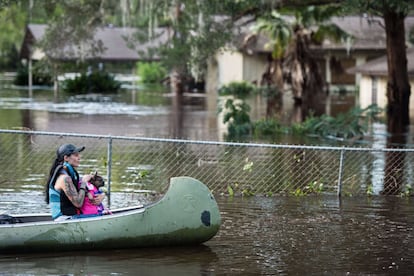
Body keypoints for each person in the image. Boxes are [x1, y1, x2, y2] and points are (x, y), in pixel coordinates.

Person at [45, 144, 105, 221]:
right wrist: (84, 182)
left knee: (102, 211)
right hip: (63, 218)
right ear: (66, 158)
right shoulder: (64, 178)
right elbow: (78, 203)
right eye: (76, 155)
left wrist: (102, 196)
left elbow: (90, 188)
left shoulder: (71, 174)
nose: (79, 158)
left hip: (72, 216)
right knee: (100, 215)